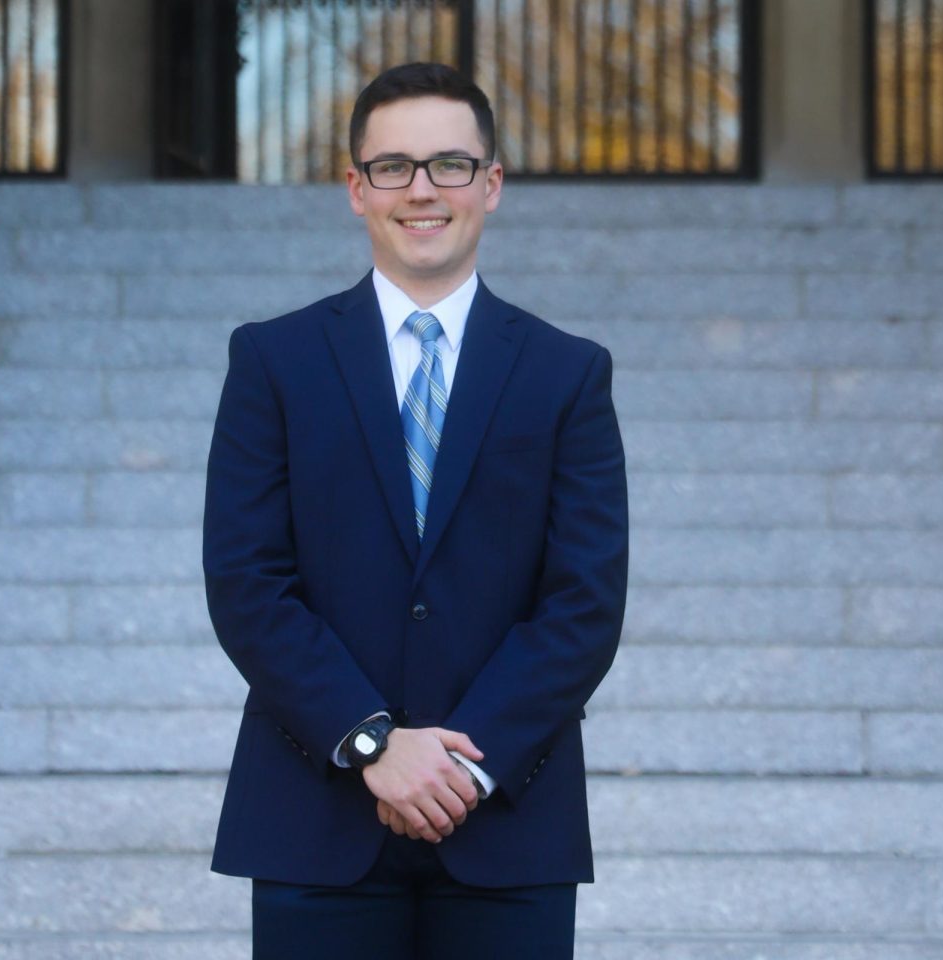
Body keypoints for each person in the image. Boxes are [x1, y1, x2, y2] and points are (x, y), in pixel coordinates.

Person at [203, 61, 629, 960]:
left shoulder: (569, 374)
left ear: (492, 184)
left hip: (510, 815)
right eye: (393, 166)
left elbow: (584, 601)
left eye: (449, 164)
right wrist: (370, 742)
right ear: (356, 189)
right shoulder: (273, 361)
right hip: (314, 817)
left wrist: (464, 766)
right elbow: (247, 582)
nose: (422, 189)